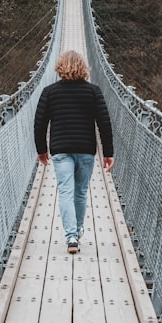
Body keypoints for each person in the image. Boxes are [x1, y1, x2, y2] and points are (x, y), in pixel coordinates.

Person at [34, 50, 114, 254]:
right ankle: (76, 232)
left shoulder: (49, 92)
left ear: (60, 67)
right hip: (86, 149)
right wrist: (108, 152)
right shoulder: (93, 91)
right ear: (83, 68)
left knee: (66, 192)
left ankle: (71, 237)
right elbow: (104, 123)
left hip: (60, 149)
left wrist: (41, 150)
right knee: (80, 192)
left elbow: (39, 124)